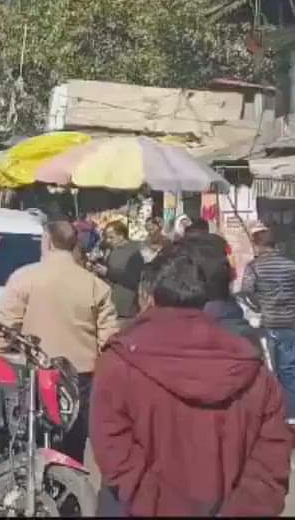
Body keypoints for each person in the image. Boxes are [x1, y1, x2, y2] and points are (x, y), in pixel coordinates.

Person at [91, 244, 292, 516]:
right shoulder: (252, 365)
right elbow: (271, 457)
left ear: (147, 296)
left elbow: (113, 449)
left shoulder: (119, 362)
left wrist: (152, 502)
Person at [0, 220, 120, 464]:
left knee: (31, 443)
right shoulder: (95, 286)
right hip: (80, 379)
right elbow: (109, 339)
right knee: (73, 446)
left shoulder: (24, 279)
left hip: (34, 375)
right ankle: (71, 492)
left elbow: (5, 331)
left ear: (46, 241)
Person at [239, 220, 295, 422]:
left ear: (258, 245)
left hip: (266, 324)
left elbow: (246, 294)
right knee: (289, 371)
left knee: (269, 371)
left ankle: (273, 415)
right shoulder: (291, 265)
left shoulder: (254, 267)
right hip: (289, 325)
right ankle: (292, 416)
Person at [89, 220, 144, 323]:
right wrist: (96, 263)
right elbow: (109, 269)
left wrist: (108, 273)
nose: (108, 241)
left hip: (125, 309)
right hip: (111, 306)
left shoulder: (134, 253)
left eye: (111, 237)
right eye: (107, 237)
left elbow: (133, 281)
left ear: (121, 236)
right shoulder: (112, 250)